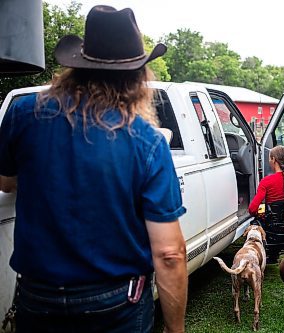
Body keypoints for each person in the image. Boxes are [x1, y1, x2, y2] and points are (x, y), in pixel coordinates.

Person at [0, 5, 187, 333]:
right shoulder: (147, 143)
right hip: (116, 305)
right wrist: (176, 330)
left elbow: (5, 181)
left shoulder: (24, 116)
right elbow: (169, 252)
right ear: (136, 77)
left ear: (77, 67)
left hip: (38, 298)